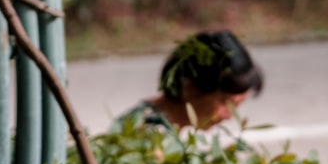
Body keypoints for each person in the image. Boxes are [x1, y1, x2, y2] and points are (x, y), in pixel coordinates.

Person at [113, 30, 264, 132]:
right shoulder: (150, 137)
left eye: (236, 106)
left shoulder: (152, 121)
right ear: (190, 88)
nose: (229, 116)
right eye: (225, 102)